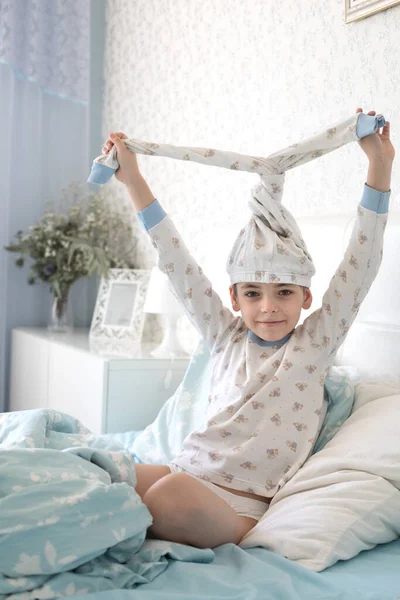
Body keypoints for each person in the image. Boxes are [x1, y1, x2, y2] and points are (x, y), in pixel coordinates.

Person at [101, 108, 394, 549]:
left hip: (238, 504)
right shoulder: (224, 335)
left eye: (284, 293)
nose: (269, 308)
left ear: (306, 299)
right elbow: (176, 261)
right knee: (104, 472)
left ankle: (235, 535)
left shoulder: (315, 343)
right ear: (234, 299)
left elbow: (362, 262)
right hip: (187, 471)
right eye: (253, 294)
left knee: (166, 498)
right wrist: (134, 182)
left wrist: (379, 164)